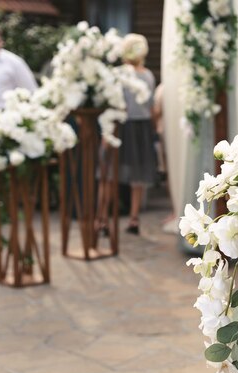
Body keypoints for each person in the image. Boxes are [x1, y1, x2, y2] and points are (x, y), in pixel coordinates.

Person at [99, 34, 158, 236]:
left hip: (120, 125)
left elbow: (112, 102)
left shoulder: (117, 74)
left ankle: (103, 220)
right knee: (138, 176)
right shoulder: (148, 75)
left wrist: (105, 134)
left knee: (107, 174)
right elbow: (150, 107)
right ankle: (134, 218)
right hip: (141, 128)